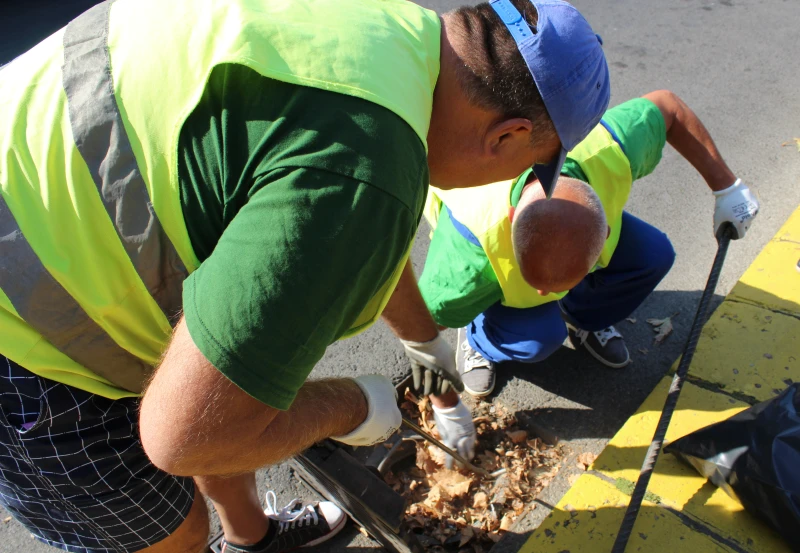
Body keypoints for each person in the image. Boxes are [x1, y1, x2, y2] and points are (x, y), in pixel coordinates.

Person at [0, 0, 610, 551]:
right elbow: (179, 439)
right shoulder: (364, 172)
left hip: (47, 161)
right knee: (176, 528)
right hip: (26, 329)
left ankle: (251, 538)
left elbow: (348, 206)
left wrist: (425, 345)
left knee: (230, 381)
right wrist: (355, 405)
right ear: (509, 135)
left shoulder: (388, 35)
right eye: (526, 169)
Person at [413, 90, 760, 408]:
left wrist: (727, 187)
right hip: (478, 244)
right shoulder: (467, 255)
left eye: (561, 285)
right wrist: (444, 405)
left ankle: (583, 319)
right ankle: (478, 335)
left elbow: (668, 109)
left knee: (653, 255)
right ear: (511, 218)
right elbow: (418, 328)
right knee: (536, 341)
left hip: (560, 216)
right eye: (541, 284)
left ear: (605, 230)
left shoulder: (606, 149)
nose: (544, 292)